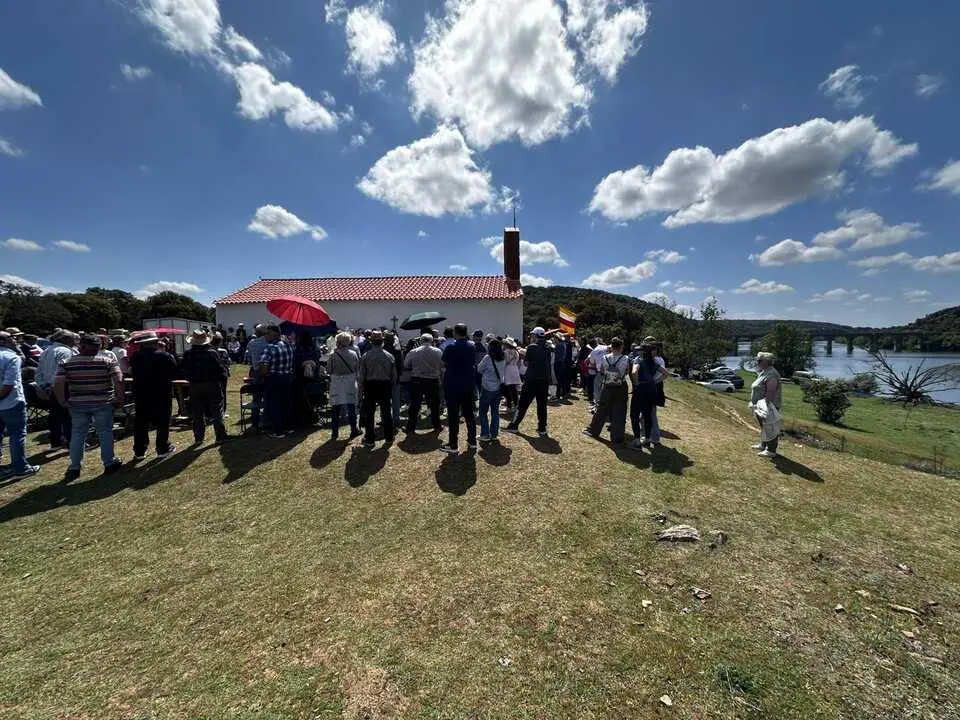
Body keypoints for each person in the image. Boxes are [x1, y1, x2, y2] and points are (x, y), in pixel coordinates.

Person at [55, 333, 125, 483]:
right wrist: (119, 398)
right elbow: (119, 380)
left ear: (81, 346)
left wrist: (62, 400)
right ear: (98, 347)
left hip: (77, 403)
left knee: (78, 434)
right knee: (105, 433)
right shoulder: (107, 361)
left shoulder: (66, 362)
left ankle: (74, 467)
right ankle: (109, 463)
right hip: (103, 402)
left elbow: (58, 383)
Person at [128, 331, 178, 461]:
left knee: (141, 422)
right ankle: (162, 448)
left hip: (141, 393)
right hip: (161, 393)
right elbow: (174, 371)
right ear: (156, 342)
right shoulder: (164, 356)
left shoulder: (136, 357)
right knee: (163, 422)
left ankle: (139, 451)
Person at [180, 330, 231, 445]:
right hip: (212, 384)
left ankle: (198, 437)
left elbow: (182, 370)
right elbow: (221, 370)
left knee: (197, 412)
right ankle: (220, 435)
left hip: (194, 385)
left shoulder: (188, 354)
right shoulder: (212, 353)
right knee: (217, 410)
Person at [0, 331, 39, 480]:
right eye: (12, 337)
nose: (15, 340)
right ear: (3, 341)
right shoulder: (11, 357)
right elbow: (9, 385)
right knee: (17, 435)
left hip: (7, 401)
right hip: (11, 402)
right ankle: (20, 468)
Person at [36, 330, 78, 448]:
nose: (75, 341)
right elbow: (65, 371)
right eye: (73, 339)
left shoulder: (46, 351)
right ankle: (71, 442)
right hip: (63, 386)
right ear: (65, 339)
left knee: (54, 415)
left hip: (50, 387)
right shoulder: (65, 351)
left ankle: (56, 441)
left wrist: (45, 386)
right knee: (68, 415)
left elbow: (38, 373)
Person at [506, 327, 551, 437]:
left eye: (532, 336)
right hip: (544, 380)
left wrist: (525, 353)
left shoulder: (531, 347)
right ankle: (542, 428)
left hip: (532, 379)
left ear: (535, 336)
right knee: (542, 405)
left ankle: (514, 425)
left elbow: (526, 363)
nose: (530, 337)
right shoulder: (548, 346)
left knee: (523, 404)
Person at [584, 338, 630, 443]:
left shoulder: (605, 357)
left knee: (602, 409)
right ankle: (617, 437)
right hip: (621, 386)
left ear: (611, 347)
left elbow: (602, 370)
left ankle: (594, 430)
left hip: (607, 386)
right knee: (619, 411)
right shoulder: (625, 358)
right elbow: (627, 371)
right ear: (621, 347)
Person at [440, 323, 477, 453]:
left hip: (453, 384)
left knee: (453, 415)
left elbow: (443, 363)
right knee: (469, 414)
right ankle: (472, 441)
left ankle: (453, 444)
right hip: (467, 384)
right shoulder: (472, 347)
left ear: (455, 332)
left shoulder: (450, 347)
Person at [358, 330, 396, 448]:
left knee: (370, 413)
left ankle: (370, 439)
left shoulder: (365, 356)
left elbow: (362, 377)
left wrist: (360, 391)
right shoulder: (389, 356)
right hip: (385, 385)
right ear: (382, 342)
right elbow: (394, 376)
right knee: (386, 412)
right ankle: (389, 437)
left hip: (370, 386)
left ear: (371, 342)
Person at [258, 325, 296, 438]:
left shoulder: (269, 347)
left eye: (267, 333)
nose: (266, 335)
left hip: (274, 378)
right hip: (287, 377)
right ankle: (288, 427)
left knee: (275, 405)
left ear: (274, 333)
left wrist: (263, 374)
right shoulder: (288, 345)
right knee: (286, 403)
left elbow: (263, 366)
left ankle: (278, 431)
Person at [629, 343, 667, 449]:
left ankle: (637, 440)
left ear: (643, 351)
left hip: (640, 389)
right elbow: (665, 374)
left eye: (640, 350)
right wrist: (655, 381)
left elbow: (634, 372)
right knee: (647, 415)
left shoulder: (638, 360)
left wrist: (636, 383)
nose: (638, 351)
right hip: (651, 390)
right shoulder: (653, 362)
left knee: (634, 415)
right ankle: (647, 439)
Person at [404, 332, 443, 435]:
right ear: (432, 341)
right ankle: (437, 426)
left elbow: (406, 364)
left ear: (421, 341)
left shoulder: (413, 351)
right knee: (434, 405)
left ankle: (410, 428)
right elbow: (442, 364)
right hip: (432, 380)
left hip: (417, 380)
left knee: (415, 405)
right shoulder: (438, 352)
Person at [328, 331, 362, 440]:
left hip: (337, 382)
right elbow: (357, 368)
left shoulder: (333, 355)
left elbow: (329, 370)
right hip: (350, 382)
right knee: (351, 407)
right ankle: (353, 429)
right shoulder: (353, 354)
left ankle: (334, 432)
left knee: (335, 408)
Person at [751, 351, 783, 458]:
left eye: (759, 360)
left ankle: (771, 450)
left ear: (766, 362)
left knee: (770, 427)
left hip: (769, 405)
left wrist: (766, 406)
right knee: (764, 426)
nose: (757, 362)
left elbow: (771, 391)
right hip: (761, 405)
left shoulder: (772, 374)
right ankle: (763, 445)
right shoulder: (764, 372)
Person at [477, 338, 506, 442]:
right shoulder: (503, 357)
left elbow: (479, 369)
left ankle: (485, 434)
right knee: (495, 411)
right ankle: (494, 434)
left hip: (487, 387)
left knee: (483, 411)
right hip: (498, 387)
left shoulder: (487, 358)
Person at [244, 325, 268, 430]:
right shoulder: (268, 343)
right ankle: (266, 420)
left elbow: (248, 359)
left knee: (256, 398)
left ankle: (255, 421)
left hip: (256, 371)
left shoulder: (252, 343)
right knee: (268, 396)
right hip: (267, 371)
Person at [293, 331, 320, 427]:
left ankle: (304, 416)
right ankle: (313, 414)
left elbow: (295, 363)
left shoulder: (297, 349)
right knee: (312, 396)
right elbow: (318, 360)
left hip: (301, 377)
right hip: (313, 376)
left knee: (301, 397)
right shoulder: (315, 348)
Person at [384, 331, 405, 428]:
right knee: (395, 401)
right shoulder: (397, 350)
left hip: (384, 379)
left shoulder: (382, 349)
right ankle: (396, 419)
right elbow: (401, 364)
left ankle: (385, 419)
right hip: (395, 378)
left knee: (385, 401)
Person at [210, 332, 232, 416]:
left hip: (211, 375)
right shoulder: (223, 351)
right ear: (220, 342)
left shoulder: (209, 351)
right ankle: (222, 411)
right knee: (223, 392)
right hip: (222, 374)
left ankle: (211, 412)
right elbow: (227, 363)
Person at [587, 338, 609, 411]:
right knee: (607, 390)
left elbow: (592, 363)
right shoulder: (605, 347)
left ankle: (597, 406)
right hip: (610, 372)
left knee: (597, 390)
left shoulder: (593, 352)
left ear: (591, 346)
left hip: (600, 372)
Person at [502, 337, 522, 412]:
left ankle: (509, 406)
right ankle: (516, 405)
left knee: (508, 389)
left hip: (508, 370)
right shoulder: (516, 352)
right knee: (514, 389)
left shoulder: (506, 351)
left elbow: (506, 361)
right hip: (515, 369)